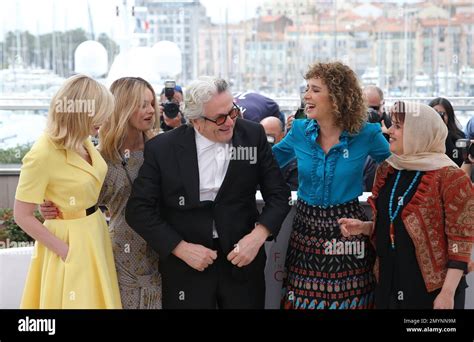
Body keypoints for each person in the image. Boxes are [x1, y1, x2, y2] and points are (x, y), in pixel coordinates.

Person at [125, 76, 291, 309]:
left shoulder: (253, 136)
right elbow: (138, 210)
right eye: (219, 118)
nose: (230, 122)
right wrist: (181, 248)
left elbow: (279, 195)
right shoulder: (163, 148)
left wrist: (257, 237)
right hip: (186, 266)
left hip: (242, 263)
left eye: (232, 112)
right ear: (195, 121)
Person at [272, 61, 391, 309]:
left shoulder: (366, 133)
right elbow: (266, 164)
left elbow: (395, 168)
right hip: (306, 231)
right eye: (307, 88)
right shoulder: (300, 131)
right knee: (303, 302)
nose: (306, 95)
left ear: (337, 97)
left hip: (349, 230)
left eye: (315, 89)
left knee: (351, 302)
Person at [40, 77, 162, 309]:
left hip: (165, 249)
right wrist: (49, 206)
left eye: (151, 103)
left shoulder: (161, 149)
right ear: (122, 107)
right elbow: (77, 199)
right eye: (141, 104)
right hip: (120, 253)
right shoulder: (98, 157)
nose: (150, 111)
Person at [339, 101, 473, 309]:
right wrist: (365, 227)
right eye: (392, 124)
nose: (390, 131)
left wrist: (447, 293)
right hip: (389, 281)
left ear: (419, 133)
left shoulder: (450, 177)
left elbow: (460, 240)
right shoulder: (387, 169)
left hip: (434, 291)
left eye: (398, 127)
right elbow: (393, 223)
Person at [13, 74, 121, 309]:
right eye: (99, 114)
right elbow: (21, 215)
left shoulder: (83, 141)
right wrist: (65, 251)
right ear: (81, 112)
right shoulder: (42, 153)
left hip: (95, 231)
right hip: (68, 240)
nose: (103, 121)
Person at [260, 116, 298, 191]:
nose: (266, 140)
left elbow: (292, 190)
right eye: (261, 135)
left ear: (282, 135)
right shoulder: (252, 155)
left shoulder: (293, 161)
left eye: (270, 136)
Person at [428, 97, 466, 167]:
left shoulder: (458, 136)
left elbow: (458, 161)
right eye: (435, 113)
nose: (439, 117)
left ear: (449, 116)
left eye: (442, 114)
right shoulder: (423, 136)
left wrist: (445, 134)